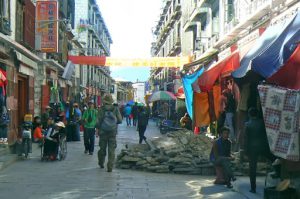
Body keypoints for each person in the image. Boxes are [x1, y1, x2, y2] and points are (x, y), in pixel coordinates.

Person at [244, 107, 276, 193]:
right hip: (263, 147)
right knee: (274, 159)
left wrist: (246, 151)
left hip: (252, 148)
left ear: (249, 114)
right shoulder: (262, 123)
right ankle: (278, 172)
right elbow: (266, 135)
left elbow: (246, 139)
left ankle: (253, 188)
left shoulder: (247, 124)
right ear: (257, 114)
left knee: (252, 169)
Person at [97, 94, 122, 172]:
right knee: (111, 150)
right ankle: (110, 166)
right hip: (112, 132)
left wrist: (97, 129)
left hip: (103, 132)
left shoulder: (102, 109)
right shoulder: (115, 109)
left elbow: (98, 121)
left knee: (102, 149)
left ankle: (101, 163)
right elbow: (120, 120)